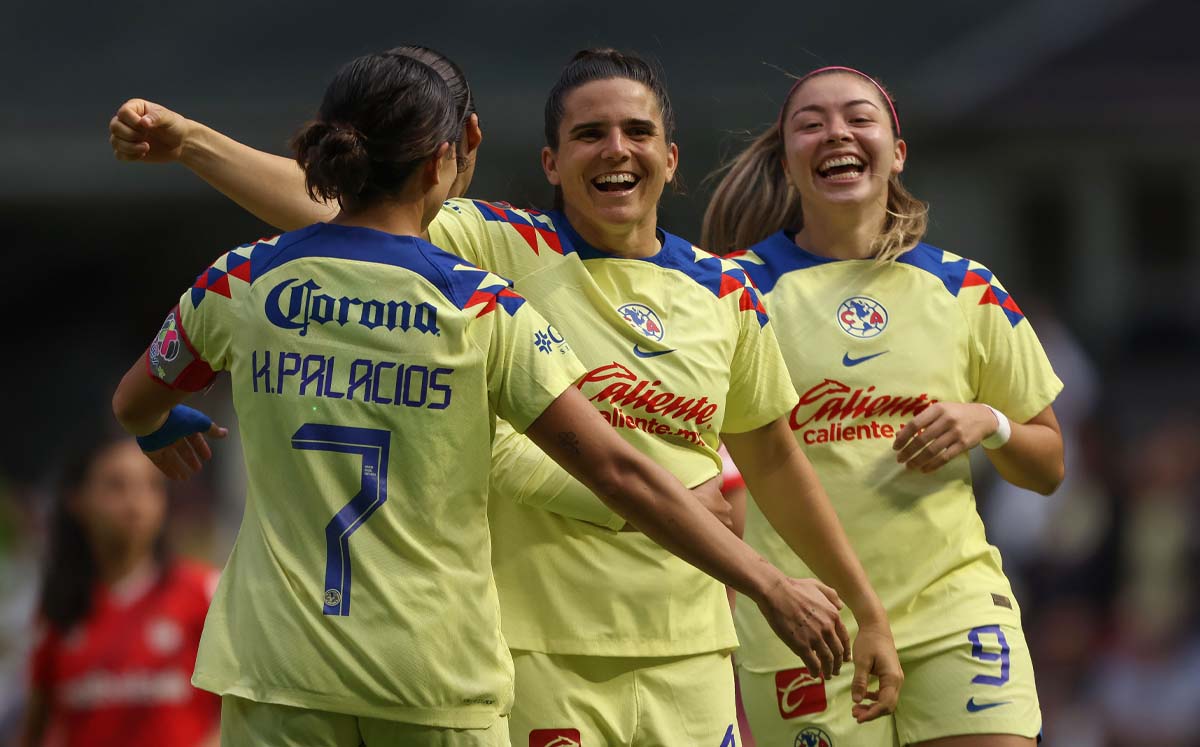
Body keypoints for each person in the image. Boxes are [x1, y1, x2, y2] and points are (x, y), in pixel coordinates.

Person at [108, 48, 903, 745]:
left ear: (670, 156)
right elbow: (348, 212)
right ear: (549, 162)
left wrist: (864, 605)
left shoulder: (725, 292)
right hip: (531, 653)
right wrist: (195, 144)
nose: (615, 148)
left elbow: (776, 463)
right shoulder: (495, 256)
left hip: (689, 646)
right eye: (589, 134)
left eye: (636, 131)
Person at [702, 65, 1065, 746]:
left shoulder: (967, 288)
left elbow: (1048, 467)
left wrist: (990, 423)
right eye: (811, 124)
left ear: (897, 153)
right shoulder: (731, 293)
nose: (836, 133)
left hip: (955, 609)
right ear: (788, 162)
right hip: (808, 625)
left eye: (858, 118)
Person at [20, 437, 220, 747]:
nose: (135, 501)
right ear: (77, 499)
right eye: (116, 486)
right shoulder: (57, 610)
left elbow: (245, 710)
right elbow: (35, 728)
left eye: (151, 486)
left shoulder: (206, 592)